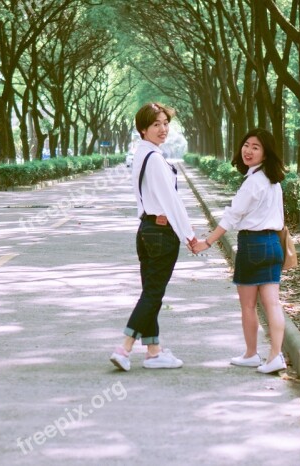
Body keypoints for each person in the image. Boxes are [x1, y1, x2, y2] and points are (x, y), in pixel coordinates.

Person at [109, 102, 198, 371]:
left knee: (151, 293)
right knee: (153, 294)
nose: (163, 129)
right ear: (143, 130)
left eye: (165, 123)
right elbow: (172, 202)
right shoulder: (155, 159)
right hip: (161, 232)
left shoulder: (143, 154)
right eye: (156, 125)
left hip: (147, 230)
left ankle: (154, 351)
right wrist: (190, 236)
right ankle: (124, 348)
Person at [192, 128, 288, 374]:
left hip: (253, 245)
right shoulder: (274, 182)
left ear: (265, 154)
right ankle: (275, 355)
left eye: (256, 147)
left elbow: (231, 217)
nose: (248, 150)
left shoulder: (253, 183)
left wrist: (208, 242)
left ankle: (251, 354)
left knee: (248, 306)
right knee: (273, 304)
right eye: (247, 144)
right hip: (274, 245)